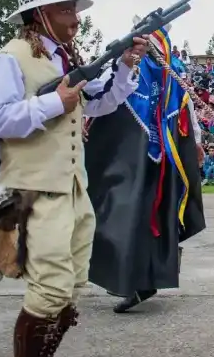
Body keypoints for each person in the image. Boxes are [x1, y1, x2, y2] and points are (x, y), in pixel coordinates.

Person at [0, 0, 147, 357]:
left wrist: (125, 65)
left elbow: (102, 103)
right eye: (66, 11)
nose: (76, 19)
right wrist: (52, 103)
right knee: (50, 291)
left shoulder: (64, 60)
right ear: (41, 14)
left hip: (74, 190)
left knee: (72, 286)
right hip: (33, 191)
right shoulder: (11, 57)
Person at [85, 24, 206, 314]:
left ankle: (140, 280)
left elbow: (186, 111)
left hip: (153, 161)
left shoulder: (169, 72)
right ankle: (137, 280)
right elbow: (103, 94)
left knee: (144, 219)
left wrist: (197, 141)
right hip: (132, 159)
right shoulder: (130, 66)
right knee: (130, 218)